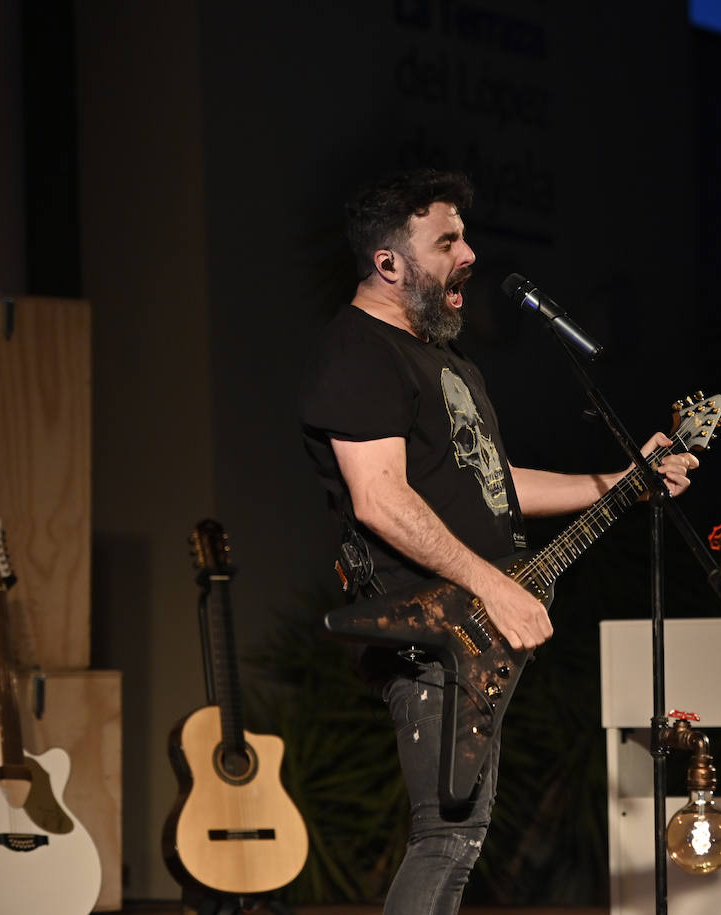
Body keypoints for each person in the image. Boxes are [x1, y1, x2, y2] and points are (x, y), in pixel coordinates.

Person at [299, 167, 698, 913]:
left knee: (462, 839)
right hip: (429, 627)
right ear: (389, 264)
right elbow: (380, 500)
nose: (470, 253)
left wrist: (617, 481)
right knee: (445, 838)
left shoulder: (449, 362)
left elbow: (496, 482)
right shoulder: (359, 350)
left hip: (476, 624)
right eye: (446, 240)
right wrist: (493, 584)